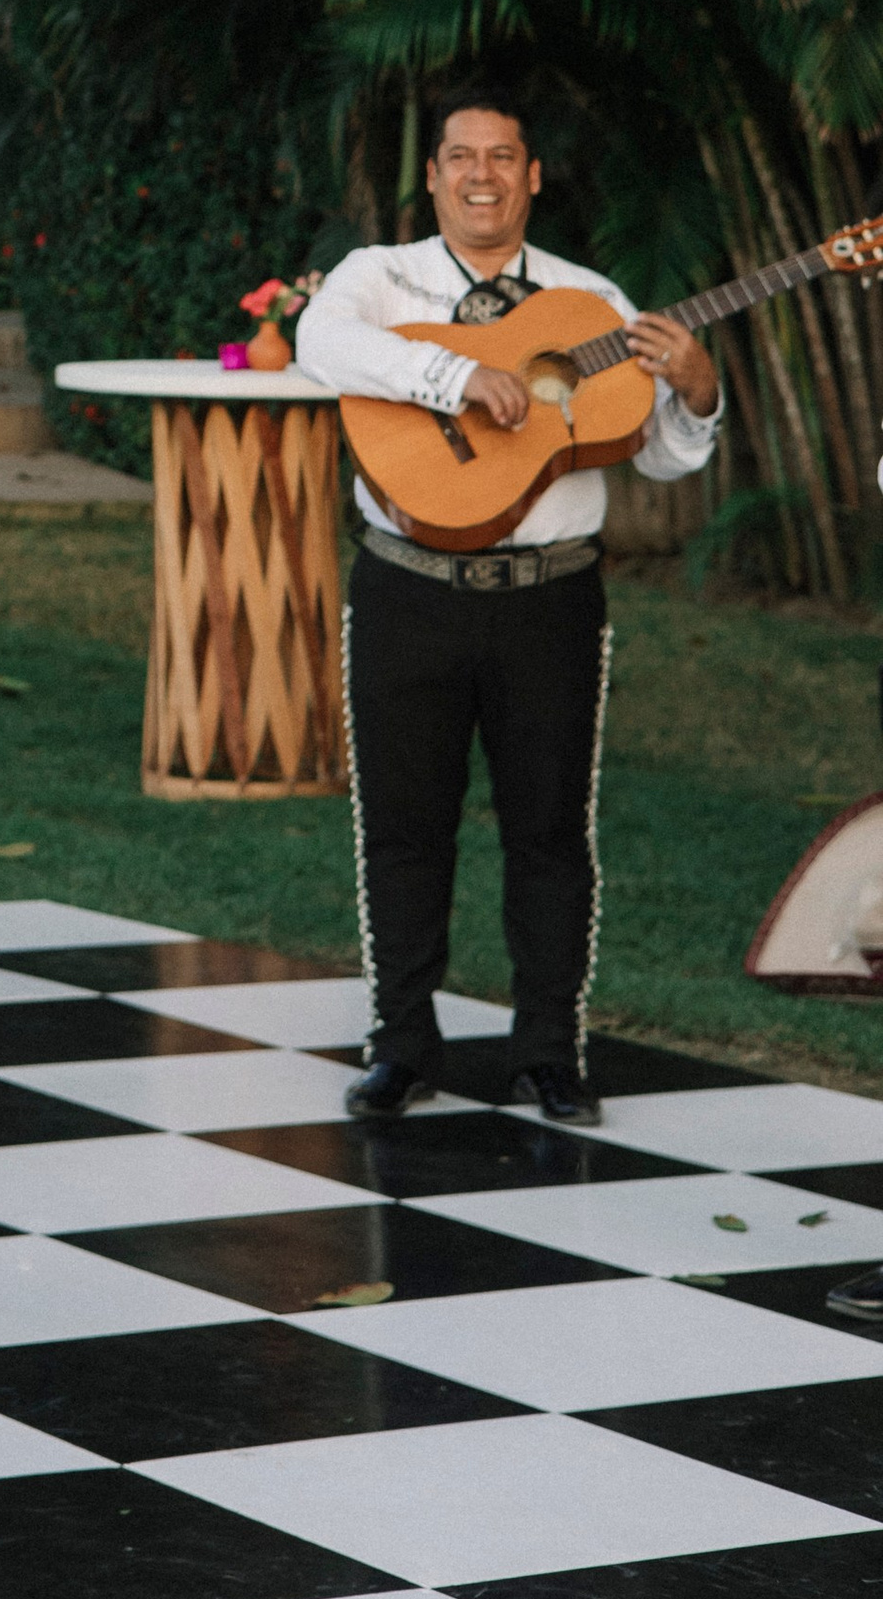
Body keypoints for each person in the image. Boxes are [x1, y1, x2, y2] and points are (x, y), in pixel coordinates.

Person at [295, 89, 720, 1126]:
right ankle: (401, 1046)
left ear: (532, 176)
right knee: (403, 829)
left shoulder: (591, 302)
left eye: (501, 156)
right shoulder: (381, 276)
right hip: (407, 588)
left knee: (550, 832)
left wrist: (698, 392)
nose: (480, 175)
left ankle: (548, 1054)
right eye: (460, 156)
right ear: (433, 175)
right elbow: (320, 342)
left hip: (549, 599)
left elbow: (656, 455)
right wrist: (450, 376)